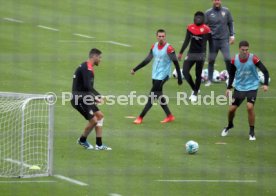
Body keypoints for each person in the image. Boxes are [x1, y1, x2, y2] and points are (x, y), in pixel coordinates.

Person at [131, 29, 182, 124]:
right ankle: (170, 116)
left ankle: (140, 117)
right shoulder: (154, 46)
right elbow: (147, 60)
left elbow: (176, 63)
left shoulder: (169, 48)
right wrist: (135, 69)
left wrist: (179, 77)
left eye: (163, 36)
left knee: (152, 96)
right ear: (157, 36)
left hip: (164, 76)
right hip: (155, 75)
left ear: (165, 36)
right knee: (159, 95)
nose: (161, 38)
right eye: (159, 36)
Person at [221, 41, 269, 141]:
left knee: (249, 107)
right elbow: (232, 74)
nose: (245, 52)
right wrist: (229, 88)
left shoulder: (253, 58)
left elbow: (265, 71)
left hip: (252, 87)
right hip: (239, 88)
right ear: (239, 49)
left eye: (246, 50)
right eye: (243, 50)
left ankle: (251, 132)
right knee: (231, 110)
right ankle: (230, 125)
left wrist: (265, 84)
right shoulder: (235, 60)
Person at [71, 48, 112, 150]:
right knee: (93, 120)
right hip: (79, 99)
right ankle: (82, 140)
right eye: (100, 57)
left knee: (100, 116)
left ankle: (99, 145)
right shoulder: (86, 68)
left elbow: (87, 87)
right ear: (94, 56)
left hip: (85, 98)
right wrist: (96, 97)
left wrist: (96, 97)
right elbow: (87, 86)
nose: (100, 60)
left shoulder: (87, 66)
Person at [178, 11, 213, 102]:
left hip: (201, 54)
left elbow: (211, 43)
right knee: (185, 72)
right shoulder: (190, 27)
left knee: (198, 74)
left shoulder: (206, 29)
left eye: (200, 18)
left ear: (203, 19)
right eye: (196, 17)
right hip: (191, 53)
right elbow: (186, 41)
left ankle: (195, 94)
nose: (198, 19)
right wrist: (181, 52)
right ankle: (195, 88)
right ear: (194, 18)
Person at [205, 0, 235, 86]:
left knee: (228, 59)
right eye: (215, 0)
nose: (217, 2)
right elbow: (204, 26)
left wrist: (232, 35)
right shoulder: (208, 13)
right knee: (211, 60)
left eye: (218, 0)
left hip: (224, 41)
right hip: (213, 41)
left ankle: (231, 79)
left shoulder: (226, 11)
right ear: (213, 1)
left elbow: (231, 23)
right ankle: (209, 80)